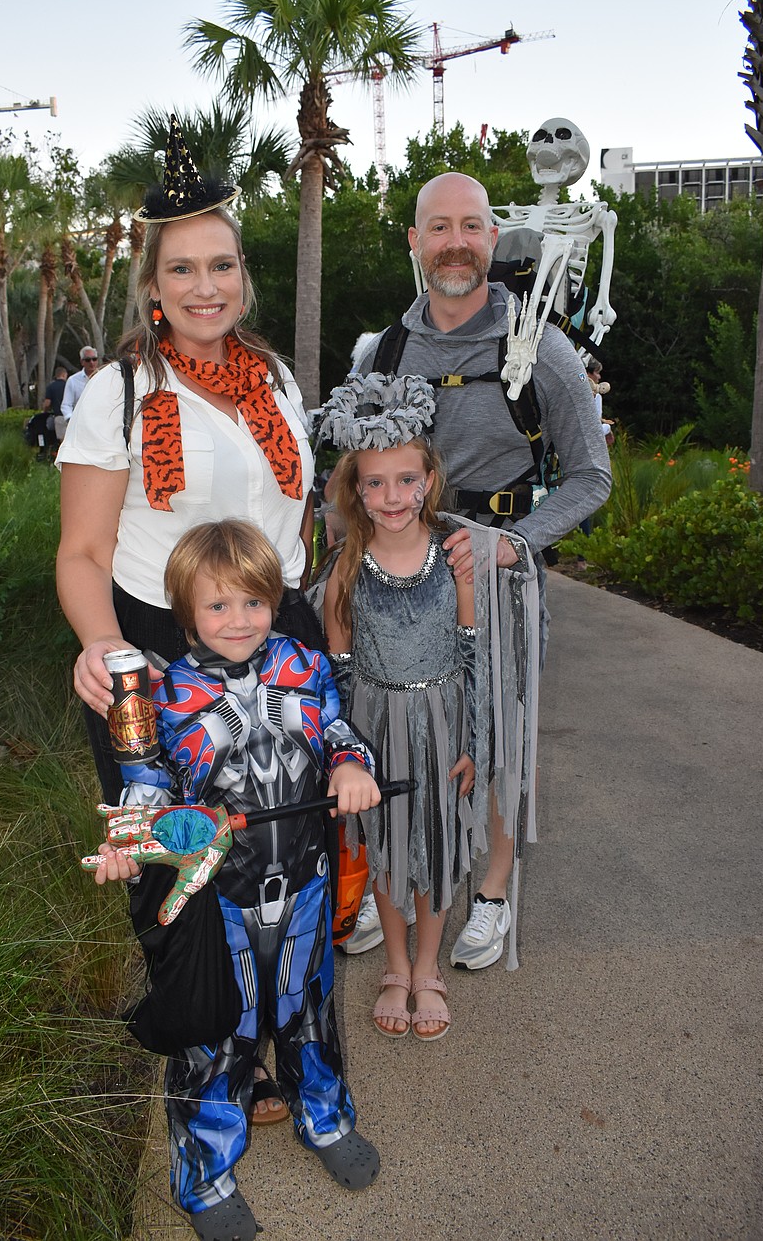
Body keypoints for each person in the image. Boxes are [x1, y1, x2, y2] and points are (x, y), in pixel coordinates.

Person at [55, 115, 323, 1126]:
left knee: (274, 862)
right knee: (177, 863)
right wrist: (98, 645)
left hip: (275, 644)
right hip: (152, 650)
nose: (205, 287)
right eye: (182, 270)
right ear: (153, 284)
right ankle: (196, 1059)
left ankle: (266, 1053)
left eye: (221, 265)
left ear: (243, 275)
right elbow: (81, 552)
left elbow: (293, 527)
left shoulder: (278, 380)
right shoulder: (117, 392)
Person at [348, 171, 612, 971]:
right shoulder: (381, 352)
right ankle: (387, 876)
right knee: (390, 725)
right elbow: (350, 473)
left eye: (471, 226)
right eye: (438, 227)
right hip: (395, 578)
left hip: (494, 571)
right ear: (415, 242)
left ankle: (490, 891)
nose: (455, 241)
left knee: (493, 732)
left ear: (492, 240)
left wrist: (517, 542)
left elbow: (591, 477)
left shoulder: (542, 347)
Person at [93, 519, 382, 1241]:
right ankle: (204, 1171)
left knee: (309, 1012)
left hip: (306, 881)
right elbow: (146, 785)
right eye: (217, 606)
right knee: (221, 1033)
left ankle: (324, 1115)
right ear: (186, 609)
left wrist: (350, 764)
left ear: (274, 598)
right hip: (220, 898)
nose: (238, 620)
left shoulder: (304, 665)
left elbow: (338, 729)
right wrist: (134, 839)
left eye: (253, 602)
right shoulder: (165, 694)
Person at [318, 373, 482, 1040]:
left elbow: (472, 655)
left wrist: (474, 740)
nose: (393, 496)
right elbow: (338, 670)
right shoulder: (344, 569)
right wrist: (344, 755)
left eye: (406, 480)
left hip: (442, 722)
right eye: (376, 483)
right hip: (375, 726)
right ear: (356, 490)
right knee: (385, 845)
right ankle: (393, 961)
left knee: (435, 846)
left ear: (429, 479)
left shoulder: (455, 559)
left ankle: (426, 967)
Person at [60, 346, 99, 419]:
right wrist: (70, 419)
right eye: (88, 360)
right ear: (82, 362)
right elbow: (66, 405)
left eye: (94, 359)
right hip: (81, 422)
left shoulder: (104, 378)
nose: (91, 362)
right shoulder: (73, 380)